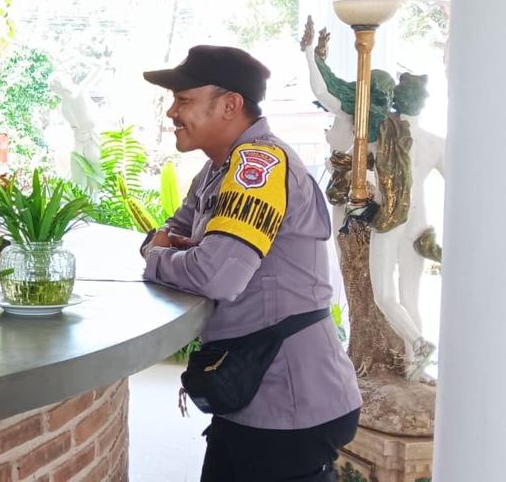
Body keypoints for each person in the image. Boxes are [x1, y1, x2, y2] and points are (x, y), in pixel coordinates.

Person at [140, 45, 361, 481]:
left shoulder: (258, 165)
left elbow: (215, 275)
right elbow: (171, 229)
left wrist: (158, 257)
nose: (172, 112)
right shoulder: (216, 169)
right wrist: (170, 249)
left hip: (289, 402)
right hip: (250, 393)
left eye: (184, 100)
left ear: (230, 105)